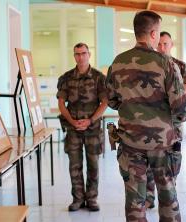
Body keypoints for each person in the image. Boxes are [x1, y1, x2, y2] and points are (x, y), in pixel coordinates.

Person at [106, 10, 186, 221]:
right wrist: (171, 124)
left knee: (135, 198)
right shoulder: (166, 63)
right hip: (162, 142)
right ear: (153, 33)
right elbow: (180, 107)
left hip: (130, 141)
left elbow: (112, 101)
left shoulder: (118, 63)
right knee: (167, 194)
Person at [144, 31, 186, 209]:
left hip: (174, 123)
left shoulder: (181, 66)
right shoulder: (149, 66)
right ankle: (149, 197)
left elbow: (185, 92)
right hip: (153, 122)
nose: (162, 47)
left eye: (166, 44)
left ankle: (168, 194)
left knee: (172, 160)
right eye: (160, 44)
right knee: (150, 159)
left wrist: (184, 107)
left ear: (171, 45)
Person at [57, 42, 107, 212]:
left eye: (83, 53)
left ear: (89, 54)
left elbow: (105, 102)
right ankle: (77, 199)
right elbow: (61, 103)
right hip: (73, 130)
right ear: (74, 56)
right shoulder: (66, 78)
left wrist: (90, 121)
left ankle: (92, 199)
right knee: (75, 166)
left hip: (92, 129)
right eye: (77, 54)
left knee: (93, 165)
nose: (80, 57)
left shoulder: (99, 77)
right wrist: (72, 122)